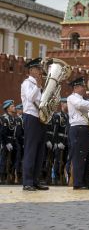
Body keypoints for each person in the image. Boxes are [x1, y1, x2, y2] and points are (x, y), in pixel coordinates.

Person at [21, 58, 50, 191]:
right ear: (31, 70)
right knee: (31, 150)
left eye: (40, 69)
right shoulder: (27, 83)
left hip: (40, 118)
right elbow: (30, 98)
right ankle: (27, 182)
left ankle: (35, 180)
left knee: (39, 151)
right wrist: (38, 86)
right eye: (38, 69)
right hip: (31, 117)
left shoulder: (39, 85)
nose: (40, 72)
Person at [67, 76, 89, 190]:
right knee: (79, 157)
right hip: (78, 129)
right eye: (82, 86)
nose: (84, 88)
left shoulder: (86, 101)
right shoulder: (72, 98)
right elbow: (79, 105)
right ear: (76, 88)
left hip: (88, 129)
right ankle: (78, 182)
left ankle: (87, 181)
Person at [51, 99, 69, 185]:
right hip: (60, 140)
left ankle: (62, 176)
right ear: (62, 104)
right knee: (58, 160)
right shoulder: (57, 116)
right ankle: (56, 177)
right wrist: (57, 142)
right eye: (66, 103)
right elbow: (55, 131)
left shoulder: (68, 116)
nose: (68, 105)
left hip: (66, 142)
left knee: (65, 160)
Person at [0, 100, 18, 184]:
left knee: (14, 158)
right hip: (5, 142)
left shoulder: (13, 118)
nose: (14, 107)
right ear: (7, 109)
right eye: (12, 106)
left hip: (13, 141)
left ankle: (10, 175)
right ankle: (2, 177)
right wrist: (6, 143)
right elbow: (2, 133)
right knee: (3, 160)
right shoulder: (4, 118)